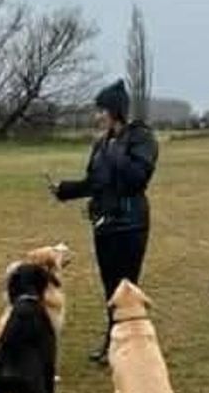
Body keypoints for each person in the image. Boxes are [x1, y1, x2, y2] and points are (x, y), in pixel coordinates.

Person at [49, 79, 158, 365]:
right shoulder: (101, 143)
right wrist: (65, 190)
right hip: (104, 224)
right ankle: (114, 342)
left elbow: (138, 178)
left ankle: (131, 346)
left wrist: (115, 151)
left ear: (115, 111)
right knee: (110, 288)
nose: (97, 116)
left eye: (101, 110)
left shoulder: (141, 138)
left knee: (127, 289)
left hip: (131, 224)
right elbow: (95, 182)